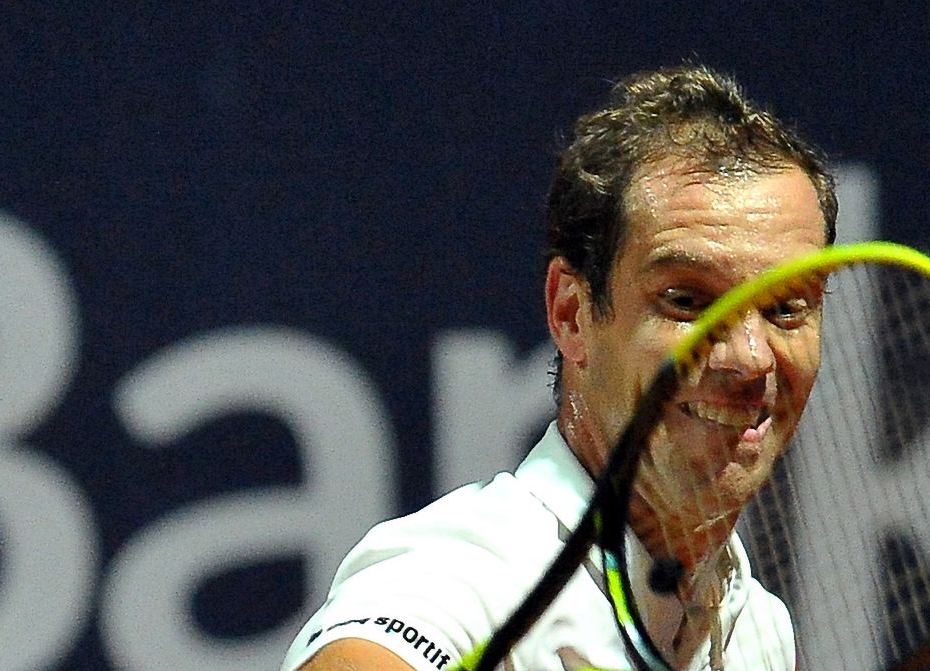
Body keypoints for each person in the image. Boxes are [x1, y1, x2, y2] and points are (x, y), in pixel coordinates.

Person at [282, 63, 838, 671]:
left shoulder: (756, 627)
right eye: (686, 300)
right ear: (572, 314)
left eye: (787, 308)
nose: (750, 358)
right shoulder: (462, 577)